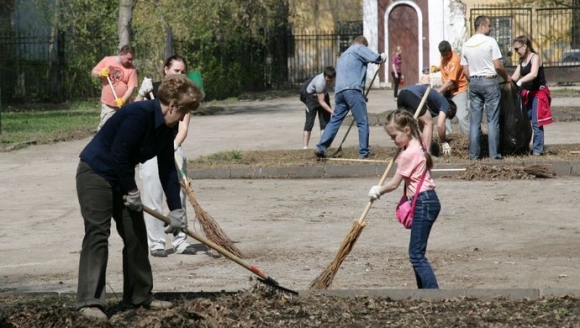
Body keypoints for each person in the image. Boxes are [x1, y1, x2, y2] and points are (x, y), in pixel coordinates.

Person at [75, 74, 204, 321]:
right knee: (98, 233)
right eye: (185, 111)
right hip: (95, 174)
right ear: (174, 106)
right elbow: (118, 155)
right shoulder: (139, 114)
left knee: (136, 234)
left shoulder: (169, 126)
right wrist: (132, 191)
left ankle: (139, 296)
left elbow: (167, 167)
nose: (185, 117)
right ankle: (89, 302)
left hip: (120, 176)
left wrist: (176, 210)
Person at [367, 109, 440, 289]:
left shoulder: (407, 155)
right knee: (417, 253)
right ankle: (424, 293)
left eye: (394, 136)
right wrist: (403, 145)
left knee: (416, 255)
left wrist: (378, 190)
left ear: (407, 131)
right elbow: (426, 126)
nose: (394, 141)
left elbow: (394, 184)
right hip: (429, 200)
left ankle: (434, 295)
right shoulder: (419, 145)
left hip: (423, 201)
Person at [135, 55, 198, 257]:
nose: (179, 74)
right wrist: (140, 93)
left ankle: (180, 241)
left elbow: (184, 126)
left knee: (178, 195)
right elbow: (133, 112)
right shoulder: (152, 90)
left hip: (172, 148)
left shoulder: (186, 94)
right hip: (150, 151)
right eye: (176, 70)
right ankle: (156, 243)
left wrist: (173, 145)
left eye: (182, 71)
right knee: (153, 196)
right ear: (165, 69)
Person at [314, 35, 386, 159]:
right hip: (353, 90)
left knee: (335, 120)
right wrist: (383, 57)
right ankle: (363, 152)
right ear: (363, 44)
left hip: (340, 91)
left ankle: (320, 147)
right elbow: (376, 58)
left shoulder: (344, 54)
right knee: (362, 122)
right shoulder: (359, 48)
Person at [461, 16, 511, 160]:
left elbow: (465, 71)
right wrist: (506, 77)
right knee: (492, 120)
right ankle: (494, 154)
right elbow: (497, 65)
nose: (491, 29)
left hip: (474, 82)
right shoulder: (490, 42)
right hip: (489, 81)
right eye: (489, 26)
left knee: (475, 120)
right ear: (481, 26)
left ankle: (473, 155)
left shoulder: (466, 44)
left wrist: (475, 81)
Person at [510, 35, 553, 156]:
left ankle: (538, 150)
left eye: (517, 49)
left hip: (539, 94)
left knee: (536, 122)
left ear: (525, 46)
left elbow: (534, 74)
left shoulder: (535, 57)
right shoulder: (521, 61)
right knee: (522, 120)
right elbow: (514, 78)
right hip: (528, 94)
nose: (516, 52)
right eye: (515, 50)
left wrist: (521, 81)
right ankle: (523, 147)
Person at [396, 84, 457, 156]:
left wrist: (425, 139)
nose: (444, 117)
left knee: (407, 127)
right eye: (446, 116)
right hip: (412, 95)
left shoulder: (434, 104)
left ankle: (406, 154)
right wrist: (443, 142)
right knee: (429, 123)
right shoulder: (445, 104)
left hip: (401, 95)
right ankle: (425, 156)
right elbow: (440, 125)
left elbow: (421, 125)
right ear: (449, 110)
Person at [91, 45, 138, 131]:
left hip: (123, 105)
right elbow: (93, 72)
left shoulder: (132, 69)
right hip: (108, 104)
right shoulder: (107, 60)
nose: (130, 61)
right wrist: (100, 73)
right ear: (121, 54)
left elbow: (131, 87)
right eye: (128, 58)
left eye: (132, 59)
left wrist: (123, 100)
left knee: (121, 128)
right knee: (105, 127)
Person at [437, 40, 469, 135]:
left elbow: (451, 81)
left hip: (459, 91)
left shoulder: (455, 60)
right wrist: (438, 68)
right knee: (444, 114)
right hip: (447, 91)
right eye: (443, 55)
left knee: (461, 116)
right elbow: (446, 67)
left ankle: (468, 138)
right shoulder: (444, 57)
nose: (445, 57)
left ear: (451, 50)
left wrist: (437, 92)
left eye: (447, 55)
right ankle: (447, 136)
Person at [300, 66, 336, 149]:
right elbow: (321, 102)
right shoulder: (320, 82)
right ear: (324, 76)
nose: (329, 82)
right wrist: (332, 112)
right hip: (312, 99)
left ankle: (324, 146)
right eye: (327, 80)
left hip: (324, 96)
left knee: (325, 124)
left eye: (331, 80)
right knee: (309, 123)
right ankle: (305, 148)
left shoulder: (333, 78)